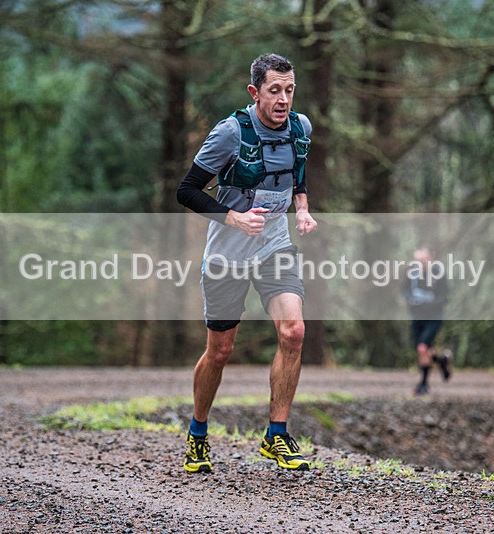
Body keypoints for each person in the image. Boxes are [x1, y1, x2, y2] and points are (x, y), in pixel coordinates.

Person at [176, 53, 317, 473]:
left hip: (274, 248)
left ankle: (276, 434)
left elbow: (299, 171)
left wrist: (303, 207)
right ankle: (198, 432)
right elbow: (187, 191)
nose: (284, 99)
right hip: (227, 256)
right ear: (255, 92)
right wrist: (234, 218)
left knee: (294, 331)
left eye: (290, 90)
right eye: (275, 90)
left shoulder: (300, 128)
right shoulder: (230, 133)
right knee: (220, 351)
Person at [403, 246, 452, 395]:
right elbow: (404, 291)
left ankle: (423, 384)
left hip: (433, 317)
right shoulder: (412, 274)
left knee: (423, 348)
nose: (420, 263)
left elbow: (445, 297)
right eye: (417, 260)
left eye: (423, 260)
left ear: (431, 257)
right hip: (417, 317)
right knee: (424, 349)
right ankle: (442, 360)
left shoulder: (439, 274)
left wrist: (429, 302)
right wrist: (411, 300)